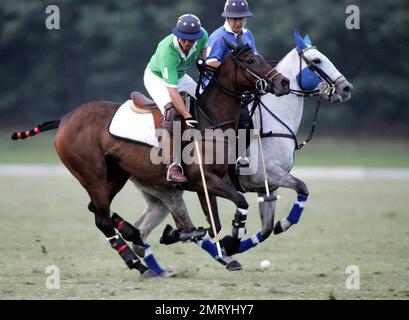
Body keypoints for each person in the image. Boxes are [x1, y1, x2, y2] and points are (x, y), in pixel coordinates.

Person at [144, 14, 208, 183]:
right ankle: (173, 166)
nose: (188, 43)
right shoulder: (167, 51)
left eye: (191, 40)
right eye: (184, 39)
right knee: (173, 111)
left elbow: (203, 50)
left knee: (205, 100)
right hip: (157, 77)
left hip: (180, 76)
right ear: (177, 35)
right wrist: (187, 116)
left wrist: (202, 60)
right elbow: (172, 92)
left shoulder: (202, 35)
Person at [205, 0, 256, 169]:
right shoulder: (218, 36)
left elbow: (254, 60)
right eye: (234, 19)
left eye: (241, 18)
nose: (238, 22)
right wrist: (234, 69)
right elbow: (210, 62)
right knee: (239, 120)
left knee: (247, 122)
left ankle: (239, 156)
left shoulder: (247, 34)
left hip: (237, 90)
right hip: (216, 90)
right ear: (226, 18)